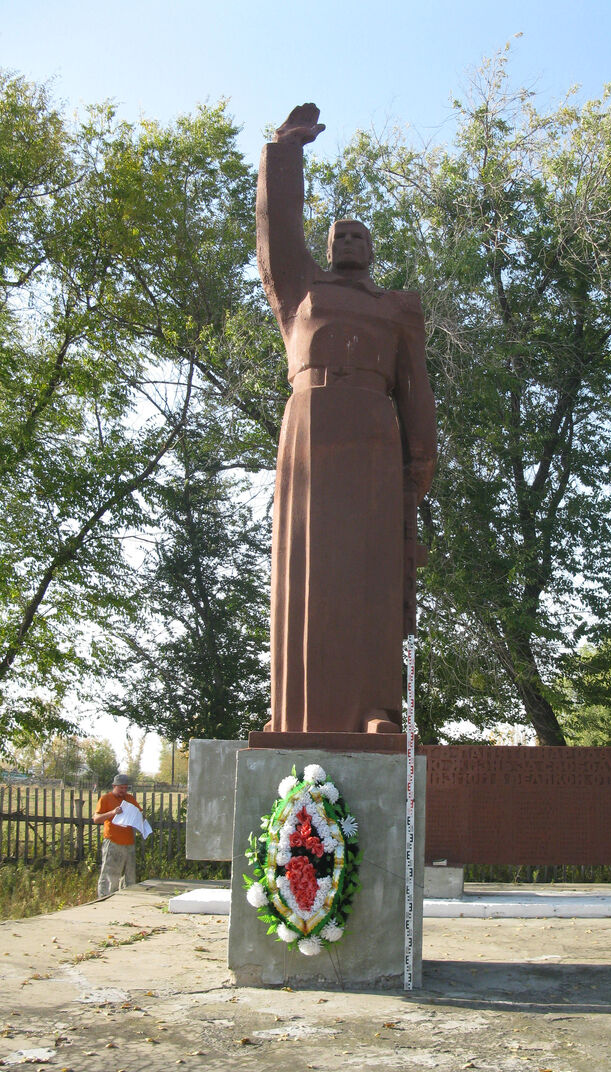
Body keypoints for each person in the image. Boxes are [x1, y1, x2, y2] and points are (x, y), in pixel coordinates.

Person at [257, 103, 437, 734]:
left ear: (372, 248)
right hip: (309, 431)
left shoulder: (397, 307)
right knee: (307, 568)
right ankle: (294, 715)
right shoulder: (300, 291)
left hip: (373, 441)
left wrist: (420, 466)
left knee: (372, 576)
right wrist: (286, 153)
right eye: (340, 235)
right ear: (328, 247)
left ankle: (375, 709)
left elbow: (416, 391)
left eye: (361, 236)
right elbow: (278, 233)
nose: (350, 242)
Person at [93, 773, 141, 898]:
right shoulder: (105, 799)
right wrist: (113, 812)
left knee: (129, 875)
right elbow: (96, 819)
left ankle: (126, 898)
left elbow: (139, 814)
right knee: (110, 874)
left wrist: (140, 819)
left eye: (126, 788)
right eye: (121, 788)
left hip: (129, 842)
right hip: (113, 842)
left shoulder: (130, 799)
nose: (123, 791)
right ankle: (105, 898)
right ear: (114, 786)